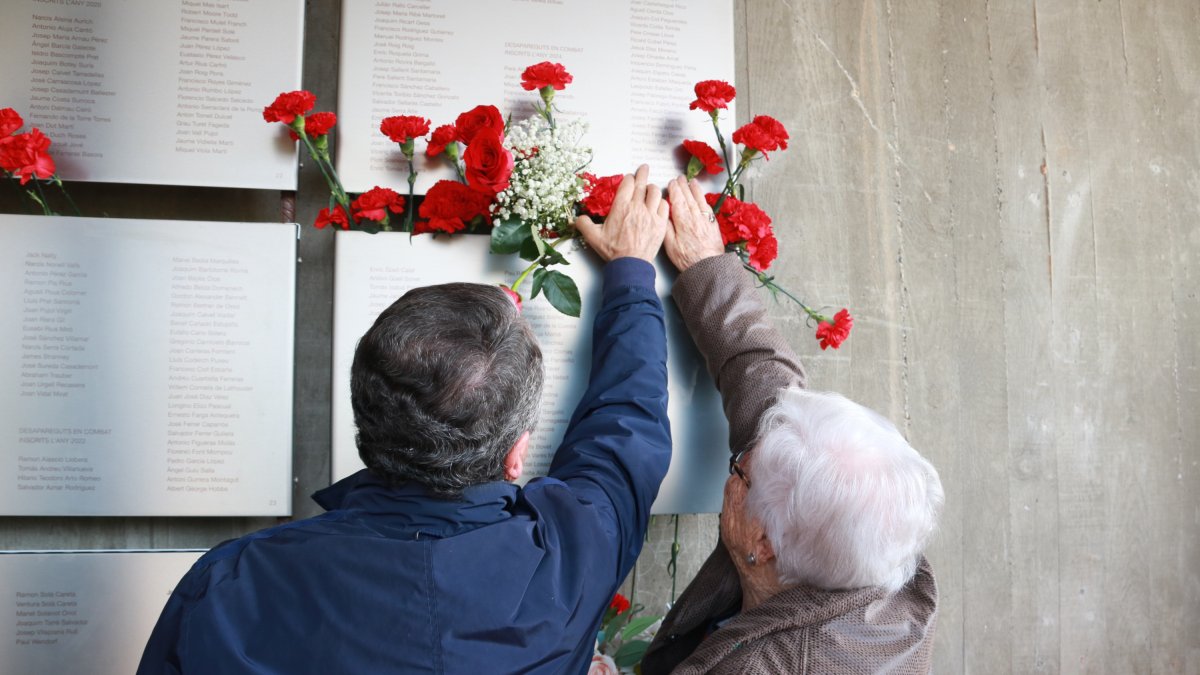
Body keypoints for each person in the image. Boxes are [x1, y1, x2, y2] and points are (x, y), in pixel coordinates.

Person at [137, 166, 672, 675]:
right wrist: (631, 274)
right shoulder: (578, 550)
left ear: (365, 412)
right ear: (516, 457)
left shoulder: (234, 583)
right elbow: (624, 427)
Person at [640, 177, 945, 674]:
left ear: (763, 545)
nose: (735, 466)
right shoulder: (875, 546)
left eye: (741, 472)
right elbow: (772, 396)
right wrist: (706, 266)